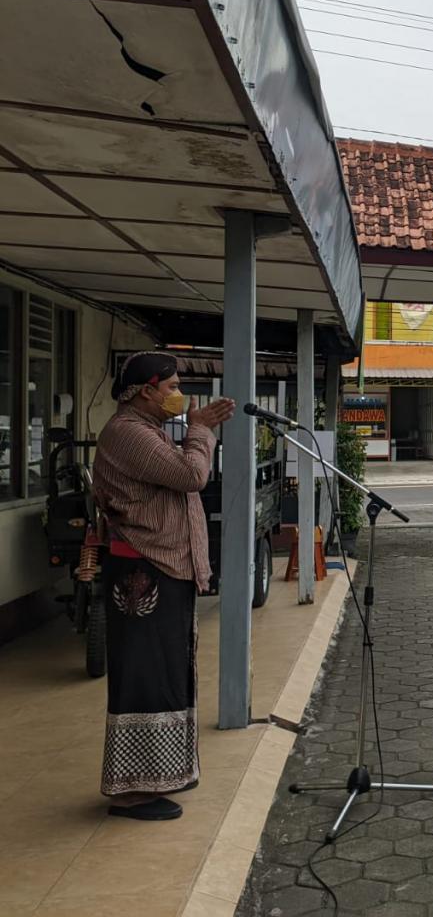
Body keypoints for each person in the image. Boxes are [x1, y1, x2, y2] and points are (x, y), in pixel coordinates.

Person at [92, 352, 235, 821]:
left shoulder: (148, 430)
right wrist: (200, 430)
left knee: (167, 673)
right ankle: (132, 790)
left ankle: (160, 776)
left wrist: (195, 431)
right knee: (146, 676)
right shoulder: (127, 433)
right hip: (143, 571)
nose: (179, 394)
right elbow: (191, 476)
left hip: (161, 568)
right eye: (171, 386)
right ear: (145, 391)